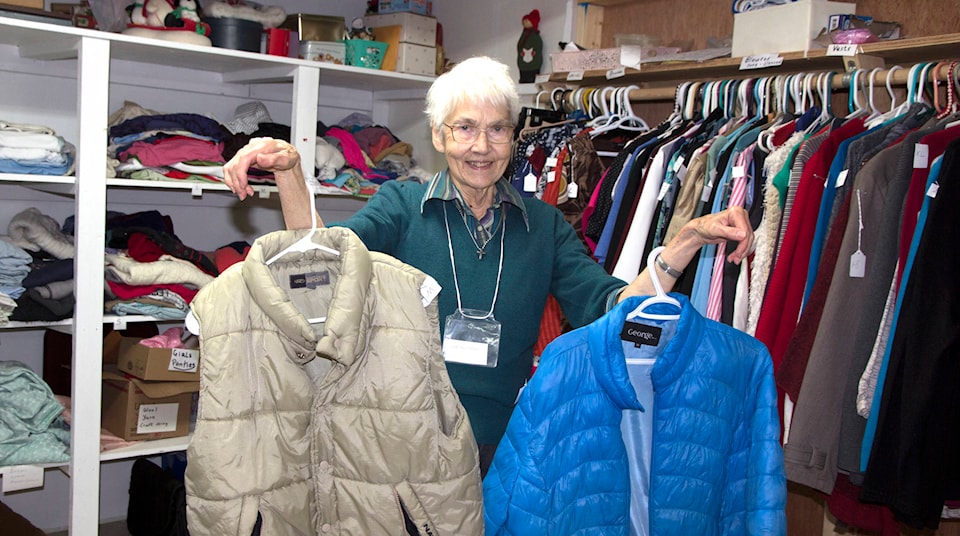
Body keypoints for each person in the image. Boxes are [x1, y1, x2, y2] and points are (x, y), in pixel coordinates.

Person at [222, 56, 753, 474]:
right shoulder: (403, 207)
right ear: (438, 135)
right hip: (401, 442)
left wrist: (683, 242)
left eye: (497, 129)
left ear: (514, 137)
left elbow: (611, 308)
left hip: (503, 447)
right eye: (465, 128)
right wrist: (291, 173)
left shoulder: (543, 226)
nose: (481, 146)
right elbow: (322, 266)